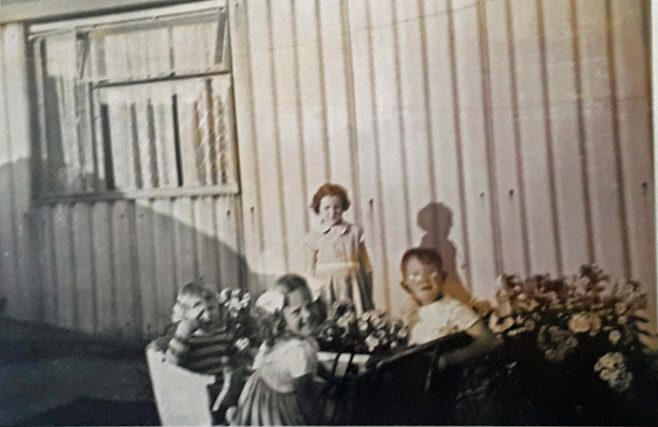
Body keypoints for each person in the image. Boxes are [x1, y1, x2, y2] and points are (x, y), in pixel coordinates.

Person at [229, 274, 320, 425]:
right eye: (296, 312)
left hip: (256, 405)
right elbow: (306, 399)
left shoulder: (277, 341)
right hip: (274, 413)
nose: (308, 314)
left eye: (309, 305)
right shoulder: (298, 351)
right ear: (280, 319)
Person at [153, 282, 249, 420]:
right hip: (199, 392)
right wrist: (184, 331)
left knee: (244, 387)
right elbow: (171, 363)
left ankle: (233, 413)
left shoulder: (223, 334)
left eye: (211, 308)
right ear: (185, 314)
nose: (208, 315)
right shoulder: (186, 338)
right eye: (201, 311)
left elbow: (231, 358)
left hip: (224, 388)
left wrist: (240, 351)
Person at [400, 247, 499, 369]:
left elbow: (490, 340)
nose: (424, 279)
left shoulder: (453, 309)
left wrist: (451, 358)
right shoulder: (410, 317)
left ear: (443, 277)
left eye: (431, 272)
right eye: (415, 274)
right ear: (405, 285)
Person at [303, 183, 374, 315]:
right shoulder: (314, 235)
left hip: (353, 287)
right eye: (326, 208)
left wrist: (368, 294)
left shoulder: (354, 232)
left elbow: (366, 266)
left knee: (354, 319)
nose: (332, 212)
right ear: (318, 208)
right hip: (327, 289)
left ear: (343, 207)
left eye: (337, 207)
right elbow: (309, 269)